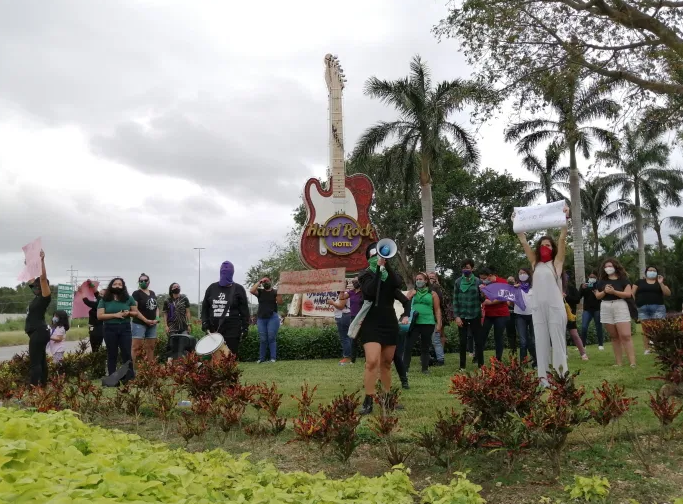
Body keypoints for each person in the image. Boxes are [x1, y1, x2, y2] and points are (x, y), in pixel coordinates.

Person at [514, 205, 570, 384]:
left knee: (558, 341)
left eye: (548, 245)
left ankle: (561, 377)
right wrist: (517, 222)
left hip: (555, 306)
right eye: (542, 245)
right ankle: (544, 379)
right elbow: (523, 241)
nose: (545, 247)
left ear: (552, 248)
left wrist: (564, 221)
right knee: (541, 342)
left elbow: (562, 239)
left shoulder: (557, 263)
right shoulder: (534, 263)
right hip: (537, 307)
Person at [357, 242, 410, 415]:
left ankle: (387, 400)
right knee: (372, 362)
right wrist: (378, 271)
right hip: (371, 324)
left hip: (389, 324)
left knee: (386, 363)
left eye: (380, 256)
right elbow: (371, 291)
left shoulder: (389, 276)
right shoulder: (364, 275)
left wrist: (405, 314)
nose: (377, 259)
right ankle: (368, 400)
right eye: (374, 256)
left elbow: (398, 287)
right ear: (369, 258)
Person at [201, 261, 250, 356]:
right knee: (213, 360)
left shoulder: (238, 289)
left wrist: (245, 327)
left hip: (232, 330)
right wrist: (204, 322)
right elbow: (205, 307)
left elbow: (244, 311)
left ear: (232, 273)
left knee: (230, 359)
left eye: (227, 272)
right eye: (223, 271)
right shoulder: (211, 288)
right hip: (213, 331)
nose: (225, 274)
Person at [594, 258, 635, 367]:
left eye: (610, 266)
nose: (608, 268)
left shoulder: (623, 280)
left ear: (615, 267)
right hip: (606, 306)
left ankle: (632, 362)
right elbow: (597, 296)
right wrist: (605, 291)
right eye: (606, 266)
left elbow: (628, 294)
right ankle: (618, 362)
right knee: (614, 336)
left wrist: (613, 292)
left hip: (620, 305)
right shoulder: (601, 282)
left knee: (625, 335)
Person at [97, 278, 138, 380]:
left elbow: (136, 313)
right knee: (112, 352)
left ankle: (129, 376)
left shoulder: (129, 298)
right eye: (115, 284)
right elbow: (100, 316)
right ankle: (112, 377)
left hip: (125, 328)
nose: (117, 286)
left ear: (123, 286)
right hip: (109, 328)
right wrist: (115, 315)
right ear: (111, 286)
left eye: (120, 284)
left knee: (126, 352)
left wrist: (128, 313)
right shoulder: (105, 300)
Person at [403, 272, 442, 374]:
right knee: (408, 345)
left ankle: (425, 368)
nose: (418, 281)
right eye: (417, 280)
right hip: (414, 322)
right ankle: (405, 368)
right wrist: (410, 296)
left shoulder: (433, 294)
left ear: (426, 281)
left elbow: (437, 310)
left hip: (428, 322)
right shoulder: (412, 292)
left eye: (420, 279)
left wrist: (439, 323)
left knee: (425, 346)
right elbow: (404, 305)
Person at [25, 249, 51, 386]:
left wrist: (41, 261)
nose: (34, 287)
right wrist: (29, 265)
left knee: (35, 362)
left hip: (39, 331)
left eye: (37, 286)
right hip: (37, 332)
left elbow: (42, 278)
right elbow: (31, 280)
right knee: (41, 360)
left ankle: (33, 388)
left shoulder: (44, 297)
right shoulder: (36, 297)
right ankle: (43, 385)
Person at [633, 266, 671, 355]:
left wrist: (661, 283)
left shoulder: (659, 282)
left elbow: (668, 293)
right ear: (646, 272)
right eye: (650, 270)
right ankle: (647, 349)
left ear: (657, 273)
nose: (652, 272)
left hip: (658, 308)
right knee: (645, 329)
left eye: (654, 271)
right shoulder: (639, 282)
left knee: (658, 328)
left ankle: (658, 348)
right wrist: (635, 305)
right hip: (642, 308)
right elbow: (632, 293)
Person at [453, 259, 483, 369]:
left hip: (475, 313)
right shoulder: (458, 282)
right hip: (462, 315)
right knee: (462, 342)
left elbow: (482, 299)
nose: (466, 269)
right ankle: (462, 366)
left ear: (472, 268)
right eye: (464, 267)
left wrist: (484, 293)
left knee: (478, 341)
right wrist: (456, 316)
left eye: (468, 267)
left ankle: (481, 365)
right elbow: (455, 300)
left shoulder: (478, 281)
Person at [479, 266, 510, 361]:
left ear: (490, 275)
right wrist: (482, 292)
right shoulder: (483, 285)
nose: (483, 280)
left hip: (501, 314)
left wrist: (491, 302)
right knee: (482, 335)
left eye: (484, 278)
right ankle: (479, 358)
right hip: (488, 313)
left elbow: (504, 297)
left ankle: (498, 359)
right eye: (481, 278)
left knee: (498, 336)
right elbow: (482, 299)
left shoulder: (502, 282)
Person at [250, 277, 282, 363]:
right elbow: (252, 290)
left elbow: (279, 302)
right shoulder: (260, 292)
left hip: (272, 317)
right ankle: (261, 358)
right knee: (263, 339)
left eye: (267, 281)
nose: (266, 282)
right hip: (261, 318)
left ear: (271, 282)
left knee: (271, 337)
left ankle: (273, 358)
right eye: (264, 281)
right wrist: (260, 281)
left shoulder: (275, 292)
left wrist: (279, 292)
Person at [131, 273, 159, 364]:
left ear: (149, 282)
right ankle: (131, 369)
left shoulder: (153, 293)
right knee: (136, 347)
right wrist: (145, 320)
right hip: (139, 323)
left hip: (152, 324)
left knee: (151, 347)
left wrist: (157, 318)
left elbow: (156, 308)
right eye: (141, 281)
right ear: (138, 282)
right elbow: (135, 309)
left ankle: (150, 369)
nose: (143, 282)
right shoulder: (136, 293)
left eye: (145, 280)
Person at [563, 273, 589, 361]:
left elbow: (577, 300)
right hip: (558, 315)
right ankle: (564, 354)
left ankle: (583, 353)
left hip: (570, 315)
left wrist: (567, 297)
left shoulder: (571, 288)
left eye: (565, 277)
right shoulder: (554, 289)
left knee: (574, 334)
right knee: (561, 335)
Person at [514, 267, 536, 367]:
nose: (522, 275)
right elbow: (509, 299)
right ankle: (523, 364)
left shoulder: (534, 287)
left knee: (533, 340)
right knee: (523, 341)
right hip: (520, 316)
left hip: (533, 315)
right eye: (520, 273)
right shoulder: (515, 287)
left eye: (524, 273)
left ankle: (536, 361)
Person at [579, 272, 604, 350]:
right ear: (588, 277)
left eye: (593, 277)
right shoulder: (584, 285)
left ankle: (600, 344)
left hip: (597, 309)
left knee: (598, 326)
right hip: (587, 309)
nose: (592, 279)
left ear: (596, 278)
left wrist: (597, 290)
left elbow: (602, 296)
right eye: (590, 277)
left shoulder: (599, 285)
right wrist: (582, 288)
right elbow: (579, 296)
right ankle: (583, 345)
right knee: (584, 327)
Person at [427, 272, 447, 366]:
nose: (431, 279)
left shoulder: (439, 288)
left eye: (433, 277)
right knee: (433, 337)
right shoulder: (426, 287)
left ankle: (440, 356)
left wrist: (437, 285)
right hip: (429, 315)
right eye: (429, 277)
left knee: (438, 336)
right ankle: (435, 355)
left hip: (439, 314)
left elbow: (444, 301)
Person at [328, 291, 353, 365]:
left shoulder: (344, 294)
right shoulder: (342, 294)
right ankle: (350, 356)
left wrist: (332, 303)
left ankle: (347, 357)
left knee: (345, 337)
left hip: (343, 316)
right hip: (344, 316)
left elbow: (341, 306)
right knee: (348, 337)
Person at [82, 284, 104, 352]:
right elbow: (96, 294)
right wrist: (91, 285)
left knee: (95, 348)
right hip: (93, 328)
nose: (99, 295)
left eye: (102, 294)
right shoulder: (99, 301)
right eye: (100, 294)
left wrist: (82, 292)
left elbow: (87, 302)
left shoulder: (100, 304)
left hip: (98, 328)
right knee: (94, 347)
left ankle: (96, 360)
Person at [348, 278, 363, 364]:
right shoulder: (351, 292)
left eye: (356, 282)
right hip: (353, 318)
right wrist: (341, 289)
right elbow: (341, 297)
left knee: (364, 339)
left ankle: (368, 359)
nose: (354, 283)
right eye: (353, 282)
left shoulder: (364, 293)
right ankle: (352, 360)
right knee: (353, 339)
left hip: (362, 318)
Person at [506, 276, 519, 355]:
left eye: (512, 282)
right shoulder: (506, 290)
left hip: (518, 313)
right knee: (511, 333)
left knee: (521, 333)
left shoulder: (518, 289)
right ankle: (513, 349)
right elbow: (508, 303)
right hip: (509, 313)